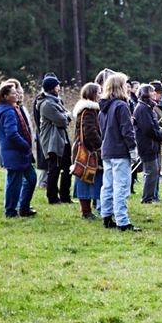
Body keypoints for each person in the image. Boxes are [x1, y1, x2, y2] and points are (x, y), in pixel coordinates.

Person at [99, 73, 140, 232]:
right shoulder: (121, 106)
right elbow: (127, 130)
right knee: (121, 187)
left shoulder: (104, 107)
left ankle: (106, 216)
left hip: (107, 150)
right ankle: (123, 221)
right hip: (120, 151)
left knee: (107, 186)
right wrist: (132, 149)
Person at [0, 82, 38, 218]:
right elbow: (11, 134)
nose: (16, 94)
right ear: (5, 96)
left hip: (18, 153)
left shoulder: (12, 108)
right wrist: (25, 145)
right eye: (13, 93)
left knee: (31, 179)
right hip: (15, 152)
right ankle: (11, 212)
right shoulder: (9, 112)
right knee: (14, 183)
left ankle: (23, 208)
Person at [37, 75, 73, 204]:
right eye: (57, 85)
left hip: (63, 140)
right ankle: (52, 197)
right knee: (54, 170)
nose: (59, 87)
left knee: (68, 169)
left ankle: (65, 196)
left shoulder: (57, 101)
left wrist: (66, 116)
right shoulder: (47, 104)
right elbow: (62, 120)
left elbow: (68, 114)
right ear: (52, 88)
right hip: (53, 142)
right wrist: (66, 116)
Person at [71, 82, 103, 220]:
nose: (102, 94)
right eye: (99, 92)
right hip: (87, 151)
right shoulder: (89, 111)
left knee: (89, 180)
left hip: (86, 149)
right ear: (93, 94)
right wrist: (100, 146)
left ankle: (89, 210)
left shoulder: (89, 110)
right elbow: (90, 132)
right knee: (85, 179)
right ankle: (86, 212)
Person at [133, 84, 162, 204]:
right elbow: (148, 129)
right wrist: (160, 136)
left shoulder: (147, 107)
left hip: (151, 144)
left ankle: (151, 197)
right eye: (151, 91)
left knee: (153, 171)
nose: (154, 93)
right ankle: (147, 199)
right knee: (151, 171)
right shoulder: (143, 108)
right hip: (147, 145)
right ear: (146, 93)